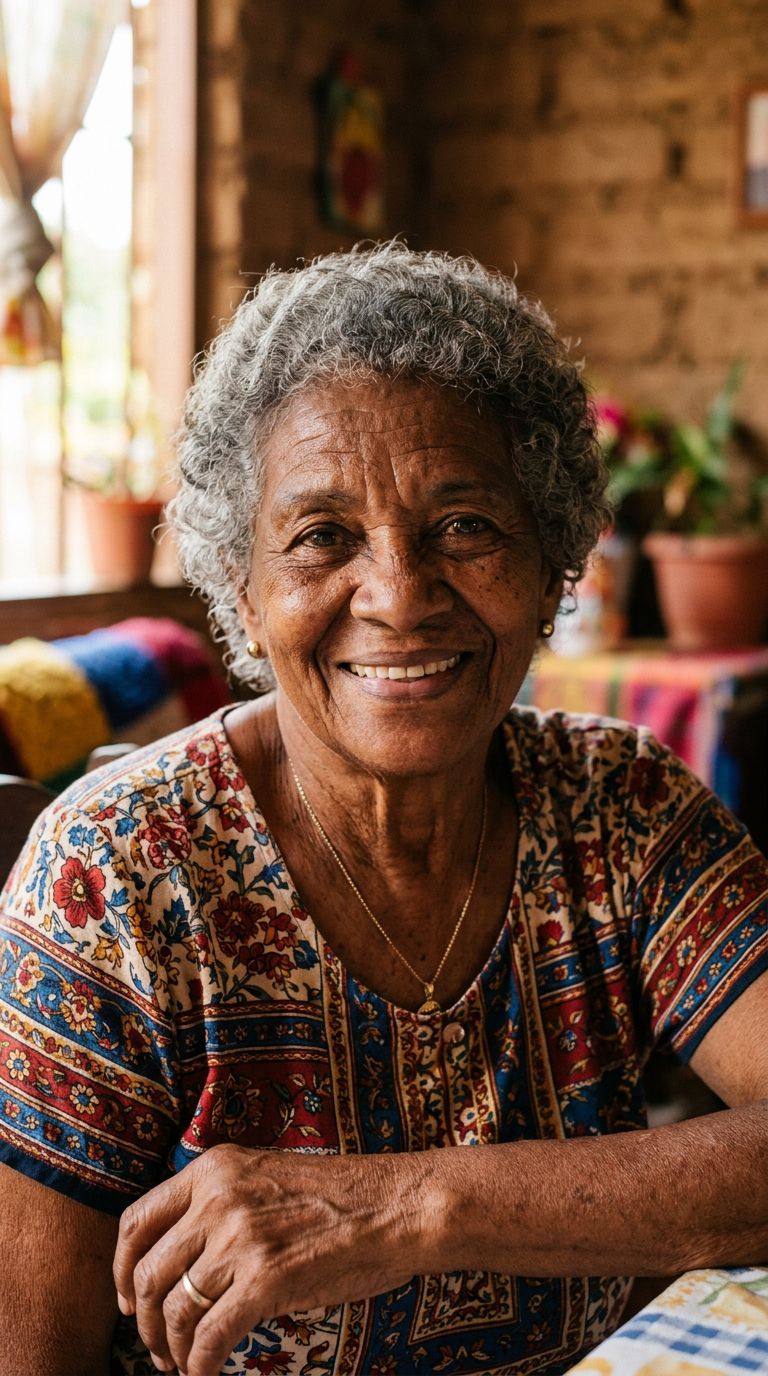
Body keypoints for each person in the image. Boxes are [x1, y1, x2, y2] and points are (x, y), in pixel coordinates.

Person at [0, 243, 767, 1376]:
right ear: (244, 594)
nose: (401, 594)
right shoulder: (114, 875)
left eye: (466, 525)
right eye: (322, 536)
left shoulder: (624, 812)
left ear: (554, 556)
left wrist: (410, 1205)